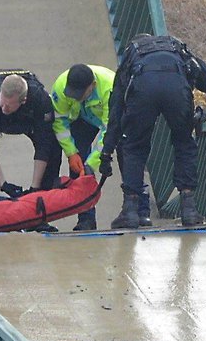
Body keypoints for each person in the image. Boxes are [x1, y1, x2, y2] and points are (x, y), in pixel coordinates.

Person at [100, 34, 206, 229]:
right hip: (176, 86)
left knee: (134, 146)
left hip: (142, 87)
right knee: (184, 143)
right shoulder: (177, 49)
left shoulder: (132, 55)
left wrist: (107, 150)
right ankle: (189, 209)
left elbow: (116, 107)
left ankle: (130, 211)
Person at [51, 63, 153, 230]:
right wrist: (71, 153)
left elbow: (109, 133)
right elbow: (59, 122)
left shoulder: (111, 88)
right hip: (83, 119)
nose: (75, 97)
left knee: (129, 159)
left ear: (93, 86)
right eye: (73, 94)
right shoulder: (61, 87)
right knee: (78, 166)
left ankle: (139, 212)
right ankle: (86, 219)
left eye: (80, 94)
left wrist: (91, 164)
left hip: (117, 122)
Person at [0, 69, 62, 198]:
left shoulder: (40, 99)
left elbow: (43, 144)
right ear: (0, 93)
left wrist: (35, 186)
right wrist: (3, 184)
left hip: (27, 118)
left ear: (23, 101)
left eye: (9, 106)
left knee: (53, 147)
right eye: (3, 103)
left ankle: (43, 195)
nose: (4, 108)